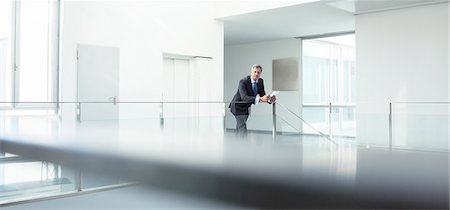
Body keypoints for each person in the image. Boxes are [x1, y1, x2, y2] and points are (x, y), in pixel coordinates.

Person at [229, 64, 276, 138]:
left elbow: (262, 95)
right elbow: (244, 97)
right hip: (237, 106)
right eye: (255, 72)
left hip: (246, 107)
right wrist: (260, 99)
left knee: (240, 127)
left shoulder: (260, 81)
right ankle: (244, 146)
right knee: (242, 128)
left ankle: (237, 145)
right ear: (251, 72)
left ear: (261, 73)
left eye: (258, 72)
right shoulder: (243, 81)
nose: (256, 74)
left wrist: (269, 99)